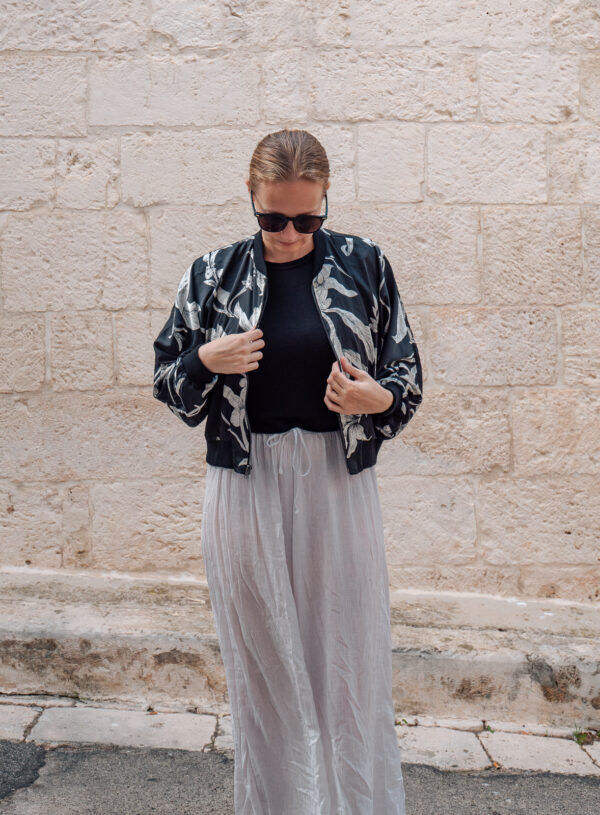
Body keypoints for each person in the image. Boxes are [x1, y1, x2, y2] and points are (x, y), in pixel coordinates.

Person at [153, 128, 423, 814]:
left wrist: (375, 397)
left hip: (338, 479)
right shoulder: (211, 274)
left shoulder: (366, 265)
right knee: (266, 670)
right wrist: (203, 362)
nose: (290, 233)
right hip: (244, 483)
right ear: (251, 198)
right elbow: (169, 382)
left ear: (327, 201)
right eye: (273, 217)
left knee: (347, 662)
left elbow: (407, 379)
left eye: (308, 218)